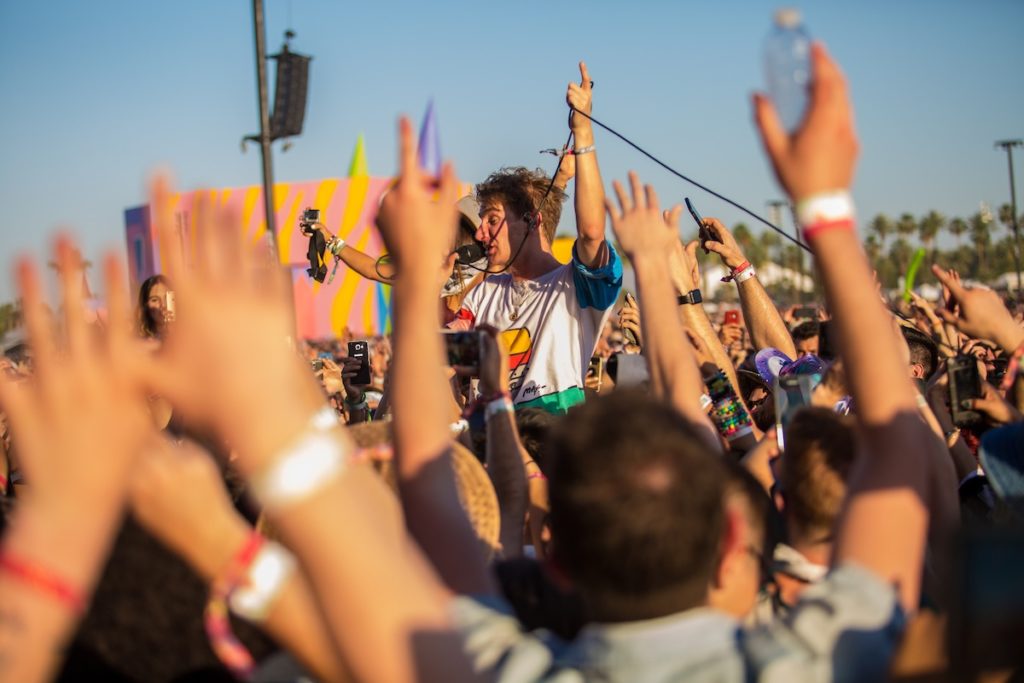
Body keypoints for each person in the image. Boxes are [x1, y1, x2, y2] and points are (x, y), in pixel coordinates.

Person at [450, 63, 623, 413]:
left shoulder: (576, 286)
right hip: (497, 445)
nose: (481, 233)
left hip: (553, 449)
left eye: (492, 220)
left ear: (531, 220)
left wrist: (584, 130)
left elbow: (591, 233)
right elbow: (450, 350)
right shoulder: (484, 292)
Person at [137, 273, 173, 340]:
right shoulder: (139, 340)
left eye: (167, 298)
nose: (163, 305)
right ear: (145, 305)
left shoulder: (189, 331)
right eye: (155, 300)